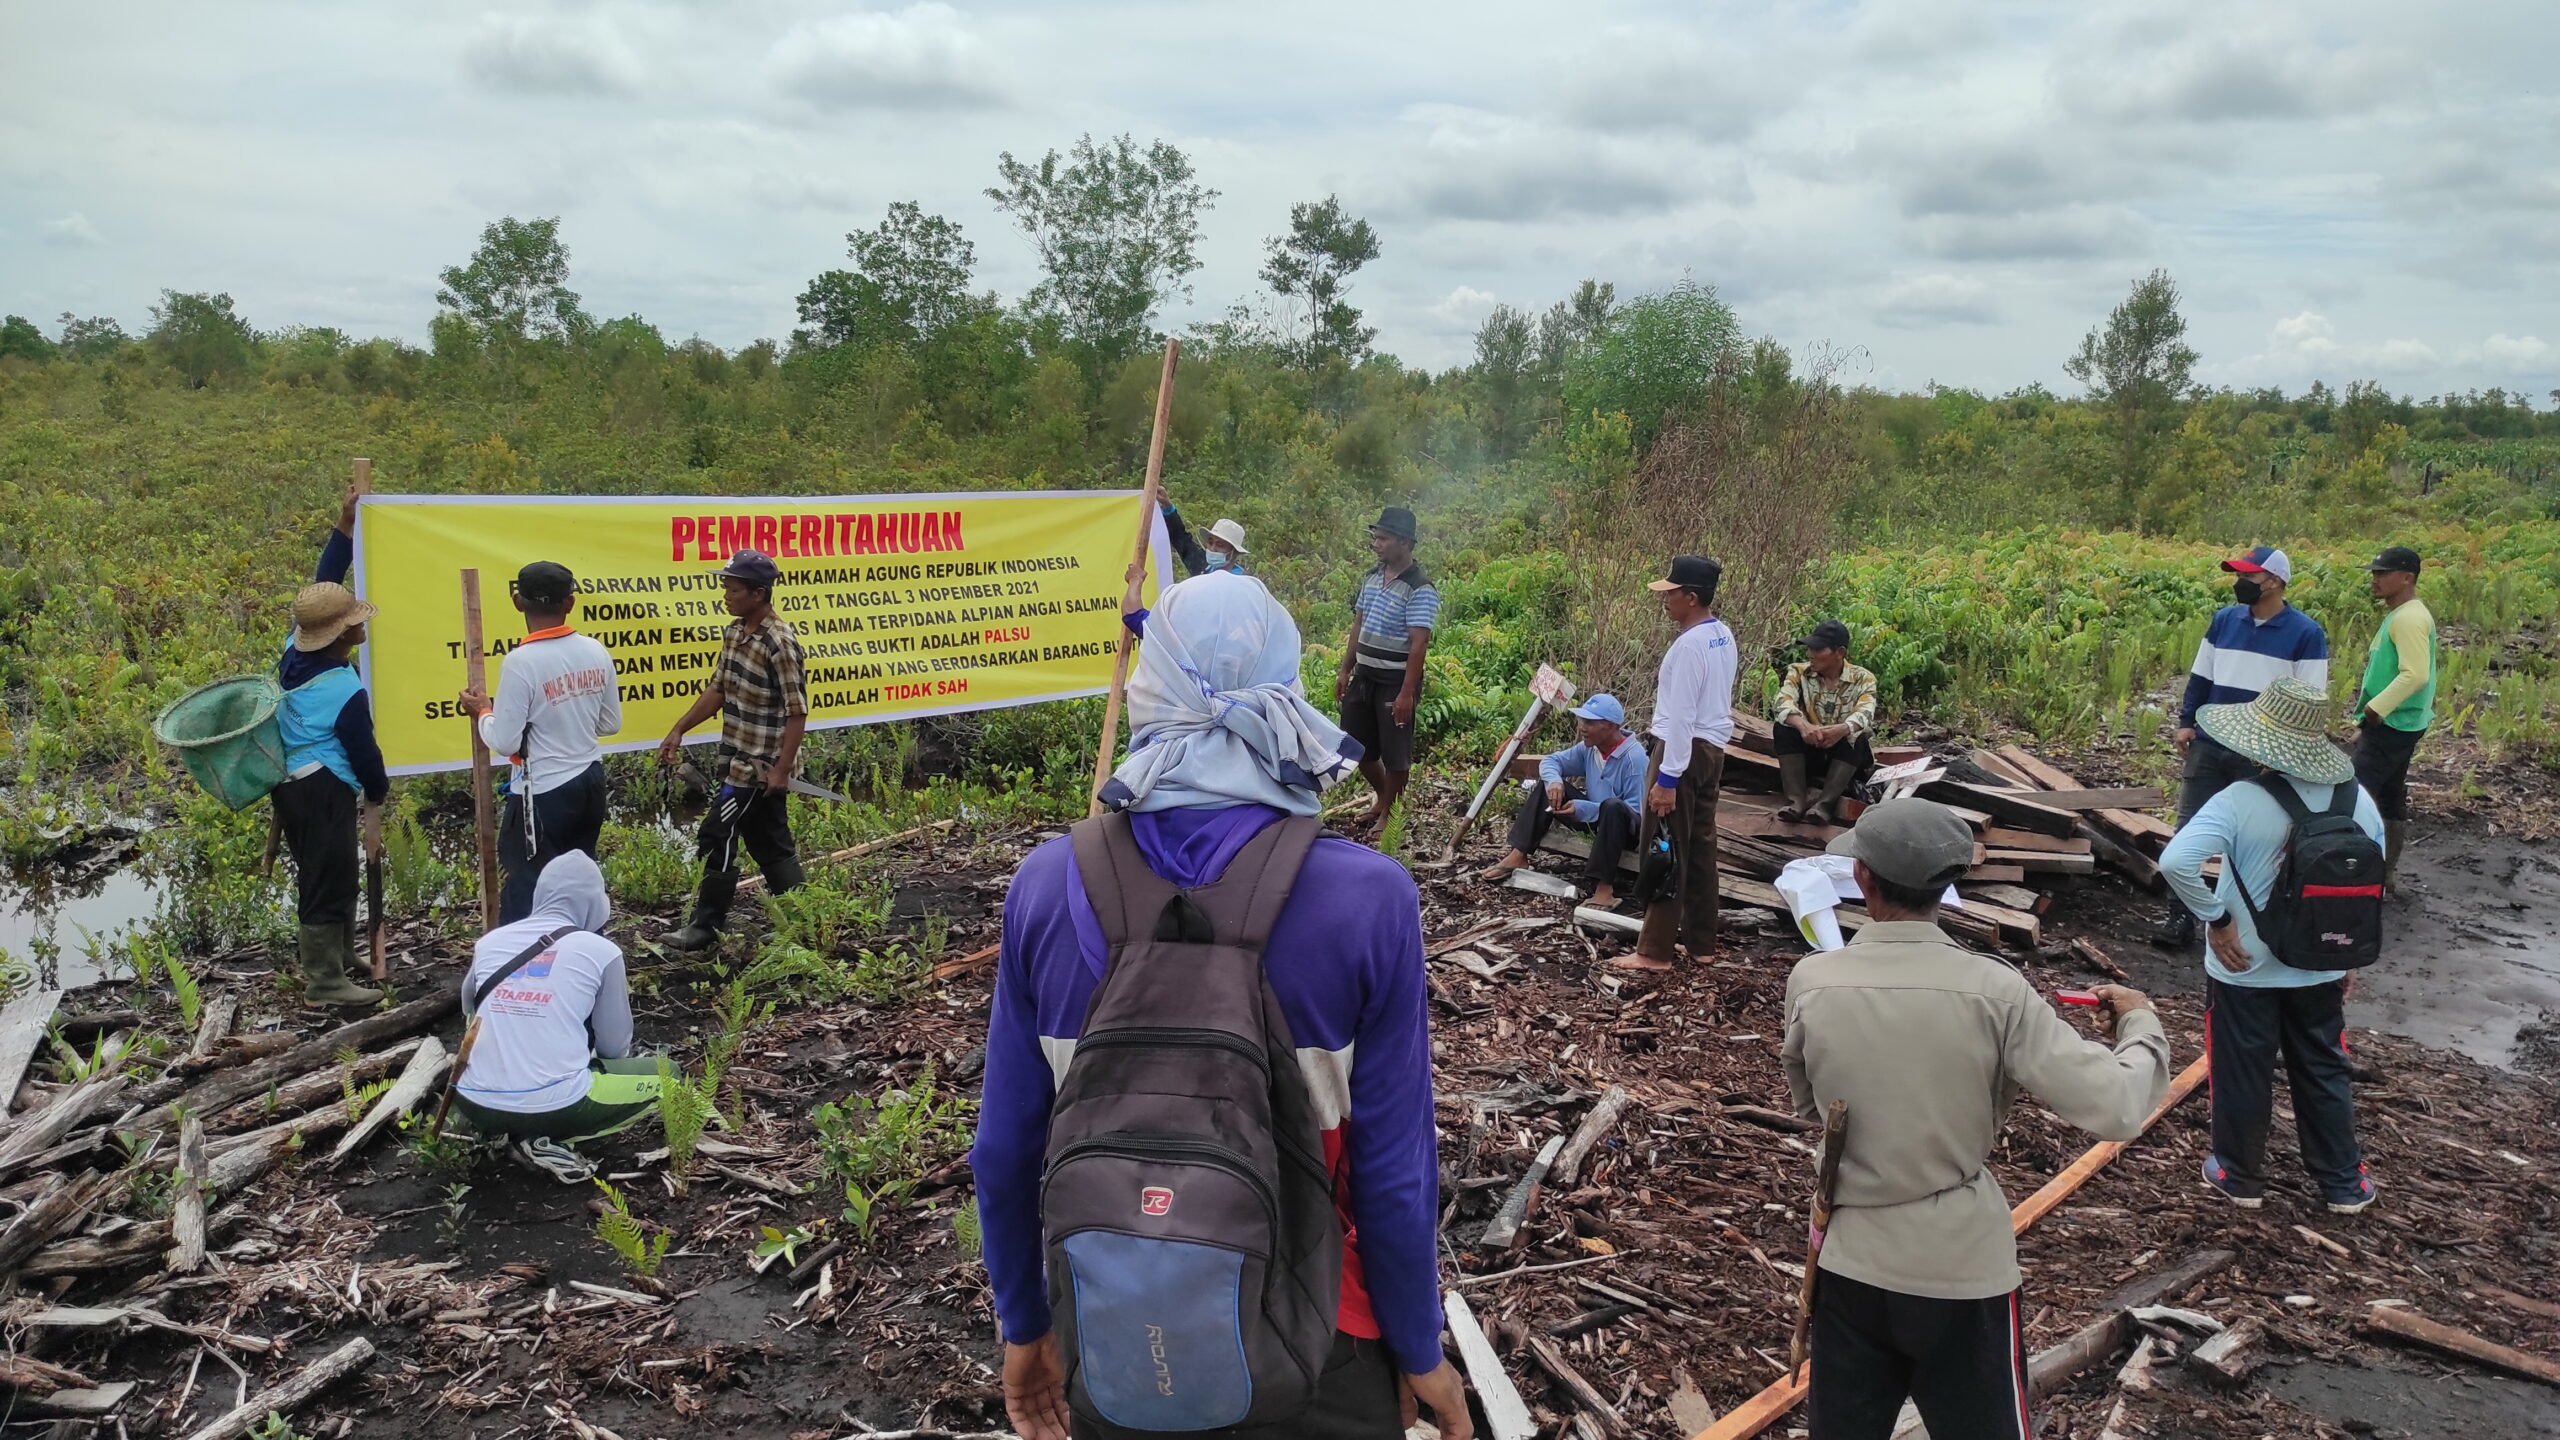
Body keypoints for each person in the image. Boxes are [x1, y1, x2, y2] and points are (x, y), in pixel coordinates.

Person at [976, 573, 1470, 1440]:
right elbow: (1394, 1170)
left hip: (1115, 1333)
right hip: (1324, 1340)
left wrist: (1026, 1325)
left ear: (1149, 690)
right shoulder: (1367, 899)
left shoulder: (1048, 886)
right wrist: (1419, 1350)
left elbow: (1007, 1149)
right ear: (1285, 690)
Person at [1784, 799, 2168, 1440]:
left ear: (1863, 880)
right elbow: (2119, 1106)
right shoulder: (1996, 991)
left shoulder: (1814, 980)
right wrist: (2140, 1023)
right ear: (1949, 884)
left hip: (1847, 1262)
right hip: (1959, 1271)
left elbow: (1810, 1108)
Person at [2160, 677, 2383, 1216]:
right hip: (2319, 963)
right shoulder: (2361, 802)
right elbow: (2369, 885)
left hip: (2246, 965)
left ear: (2259, 742)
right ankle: (2342, 1184)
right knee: (2324, 1065)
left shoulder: (2239, 801)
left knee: (2242, 1066)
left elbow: (2174, 862)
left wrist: (2215, 919)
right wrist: (2343, 952)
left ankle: (2239, 1176)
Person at [451, 852, 664, 1184]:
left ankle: (500, 1131)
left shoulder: (490, 942)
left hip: (472, 1100)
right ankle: (545, 1139)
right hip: (554, 1105)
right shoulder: (601, 952)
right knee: (671, 1077)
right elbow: (614, 1049)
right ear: (595, 902)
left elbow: (469, 1006)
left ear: (541, 895)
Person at [2157, 544, 2330, 948]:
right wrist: (2186, 722)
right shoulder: (2224, 621)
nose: (2241, 583)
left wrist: (2287, 755)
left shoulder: (2306, 634)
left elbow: (2310, 698)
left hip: (2263, 752)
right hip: (2212, 739)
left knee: (2255, 837)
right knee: (2189, 827)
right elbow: (2201, 676)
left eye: (2250, 576)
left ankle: (2249, 919)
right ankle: (2179, 917)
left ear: (2275, 581)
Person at [657, 549, 809, 951]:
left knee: (717, 833)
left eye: (734, 589)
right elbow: (719, 689)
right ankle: (803, 918)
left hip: (759, 766)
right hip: (737, 757)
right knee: (768, 839)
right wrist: (679, 729)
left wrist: (781, 769)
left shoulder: (780, 642)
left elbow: (797, 712)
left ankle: (705, 926)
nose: (726, 595)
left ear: (759, 593)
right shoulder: (735, 632)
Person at [458, 561, 623, 925]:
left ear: (518, 602)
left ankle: (522, 966)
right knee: (579, 876)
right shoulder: (596, 650)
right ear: (570, 602)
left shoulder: (521, 662)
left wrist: (483, 711)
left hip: (543, 792)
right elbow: (610, 723)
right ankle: (583, 950)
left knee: (527, 888)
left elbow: (504, 741)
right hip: (589, 781)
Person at [275, 486, 389, 1007]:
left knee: (333, 870)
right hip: (323, 788)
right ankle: (325, 982)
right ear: (344, 635)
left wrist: (343, 529)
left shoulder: (291, 654)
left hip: (291, 784)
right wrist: (378, 789)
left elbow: (323, 586)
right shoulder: (344, 688)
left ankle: (343, 955)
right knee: (326, 879)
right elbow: (363, 753)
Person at [1632, 554, 1736, 969]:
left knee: (1665, 846)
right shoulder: (1722, 635)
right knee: (1700, 850)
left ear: (1691, 597)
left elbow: (1681, 717)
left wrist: (1667, 779)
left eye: (1671, 593)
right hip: (1712, 751)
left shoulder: (1689, 646)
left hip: (1683, 753)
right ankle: (1701, 943)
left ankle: (1654, 951)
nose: (1666, 600)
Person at [1478, 693, 1644, 908]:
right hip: (1595, 820)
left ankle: (1604, 888)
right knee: (1548, 786)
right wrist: (1554, 782)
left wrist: (1585, 808)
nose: (1582, 727)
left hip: (1624, 831)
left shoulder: (1634, 759)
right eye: (1582, 720)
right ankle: (1519, 853)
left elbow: (1635, 810)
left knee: (1612, 807)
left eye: (1590, 722)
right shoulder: (1590, 748)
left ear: (1611, 726)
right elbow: (1551, 761)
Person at [1334, 506, 1438, 835]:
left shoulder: (1420, 588)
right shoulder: (1372, 577)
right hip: (1364, 676)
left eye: (1383, 538)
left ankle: (1390, 816)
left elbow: (1418, 644)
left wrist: (1407, 693)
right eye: (1375, 538)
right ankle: (1382, 797)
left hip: (1395, 681)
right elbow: (1358, 624)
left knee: (1395, 755)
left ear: (1404, 542)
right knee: (1355, 746)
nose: (1376, 544)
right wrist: (1344, 669)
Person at [2353, 546, 2436, 895]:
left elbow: (2414, 674)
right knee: (2388, 797)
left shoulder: (2408, 618)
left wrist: (2375, 709)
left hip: (2391, 724)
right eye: (2374, 572)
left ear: (2407, 578)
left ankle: (2349, 876)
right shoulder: (2404, 614)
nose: (2375, 578)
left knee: (2353, 796)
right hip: (2403, 723)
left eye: (2383, 573)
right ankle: (2382, 878)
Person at [1773, 619, 1879, 825]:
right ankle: (1796, 801)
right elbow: (1782, 700)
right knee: (1784, 726)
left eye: (1818, 649)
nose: (1810, 654)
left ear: (1839, 652)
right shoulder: (1798, 672)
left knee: (1857, 734)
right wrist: (1804, 726)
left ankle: (1824, 805)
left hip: (1844, 756)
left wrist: (1841, 730)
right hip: (1811, 749)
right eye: (1810, 648)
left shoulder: (1863, 679)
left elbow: (1866, 712)